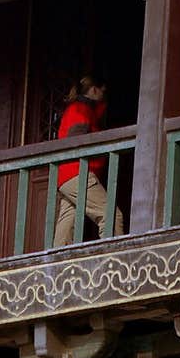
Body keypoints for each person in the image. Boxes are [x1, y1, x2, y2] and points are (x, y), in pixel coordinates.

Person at [52, 76, 124, 246]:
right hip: (78, 173)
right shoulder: (81, 110)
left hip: (66, 177)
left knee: (67, 222)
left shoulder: (80, 110)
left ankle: (57, 266)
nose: (104, 95)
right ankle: (113, 261)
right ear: (93, 90)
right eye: (102, 91)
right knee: (111, 216)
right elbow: (76, 142)